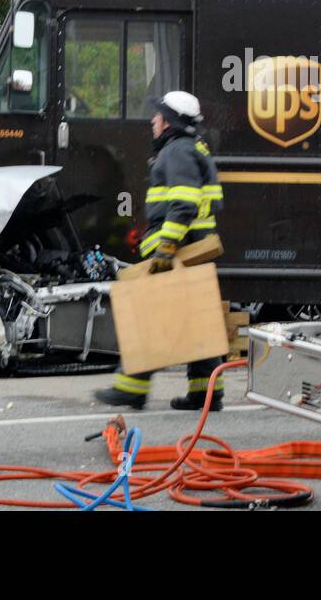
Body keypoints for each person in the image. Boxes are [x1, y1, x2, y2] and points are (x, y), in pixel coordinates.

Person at [94, 91, 226, 411]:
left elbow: (183, 204)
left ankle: (132, 388)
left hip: (176, 252)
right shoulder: (194, 149)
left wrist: (166, 248)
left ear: (169, 122)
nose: (153, 121)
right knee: (195, 322)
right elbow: (214, 203)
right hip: (193, 249)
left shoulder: (177, 151)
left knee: (146, 316)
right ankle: (206, 392)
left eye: (158, 116)